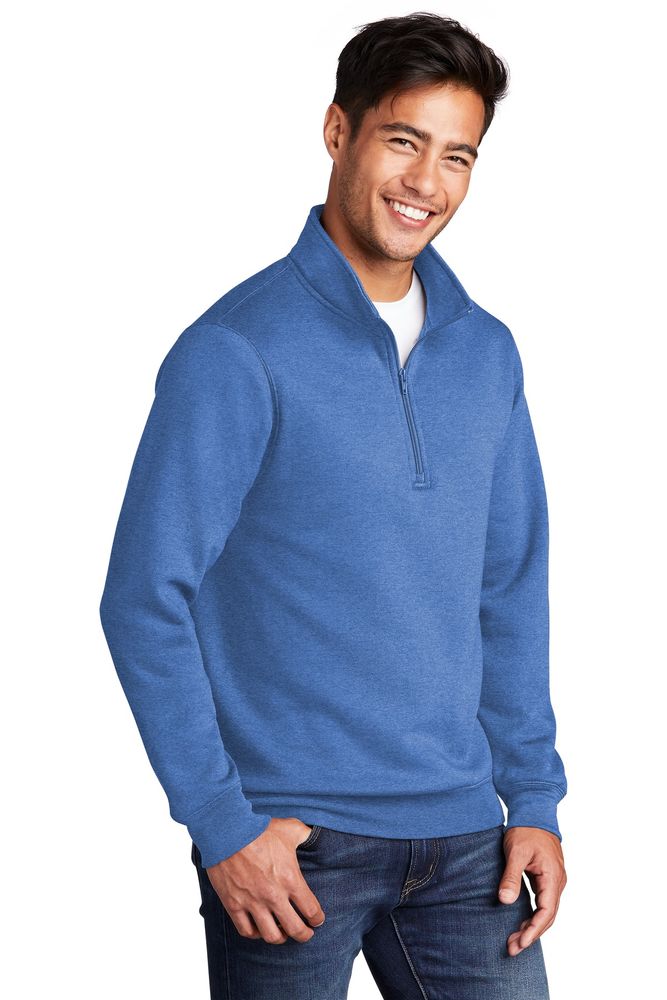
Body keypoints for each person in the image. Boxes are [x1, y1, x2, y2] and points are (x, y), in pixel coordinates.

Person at [99, 12, 568, 999]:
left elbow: (508, 586)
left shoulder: (486, 353)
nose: (425, 182)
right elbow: (144, 597)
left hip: (466, 840)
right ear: (337, 131)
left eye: (457, 156)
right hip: (294, 844)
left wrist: (532, 796)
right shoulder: (236, 350)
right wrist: (220, 824)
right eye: (402, 141)